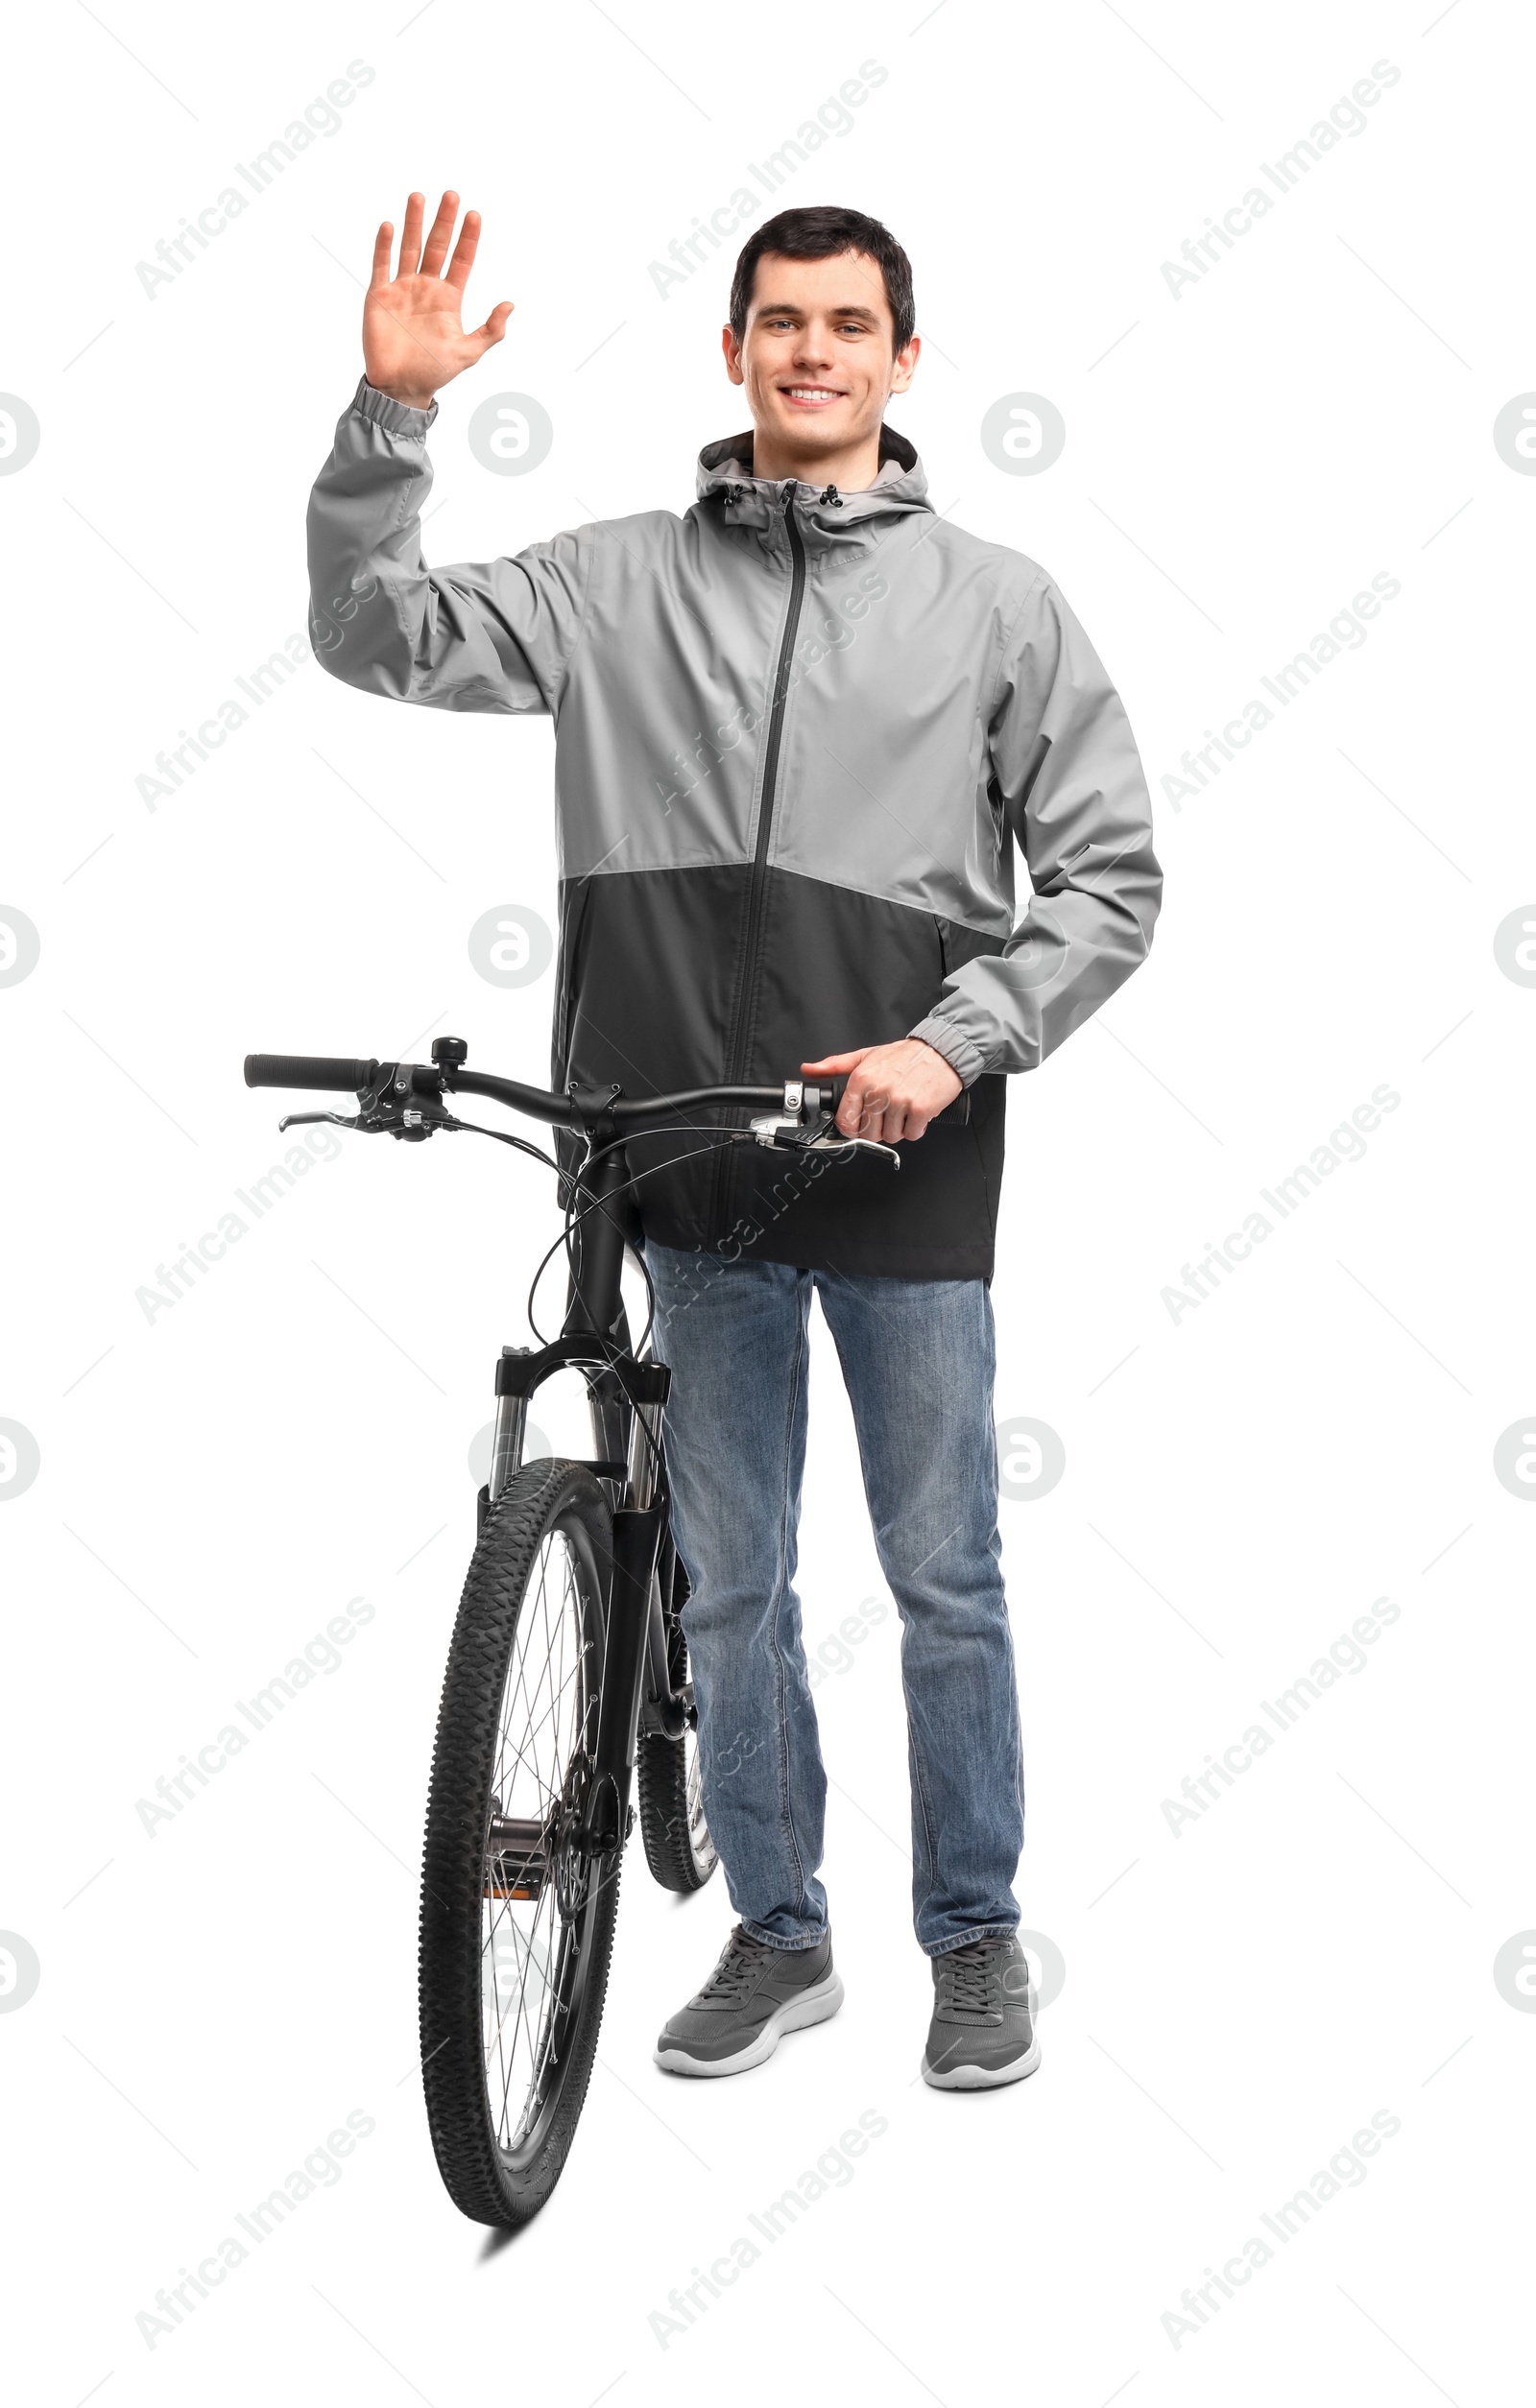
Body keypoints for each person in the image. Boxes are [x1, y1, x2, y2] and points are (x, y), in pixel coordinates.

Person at [306, 192, 1162, 2090]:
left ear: (901, 363)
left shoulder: (994, 604)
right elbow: (374, 633)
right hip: (677, 1157)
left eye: (847, 326)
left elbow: (1106, 879)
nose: (810, 352)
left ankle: (971, 1935)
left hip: (902, 1161)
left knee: (942, 1574)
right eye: (779, 321)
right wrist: (388, 421)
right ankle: (779, 1931)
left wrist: (951, 1047)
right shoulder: (614, 579)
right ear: (731, 351)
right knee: (735, 1585)